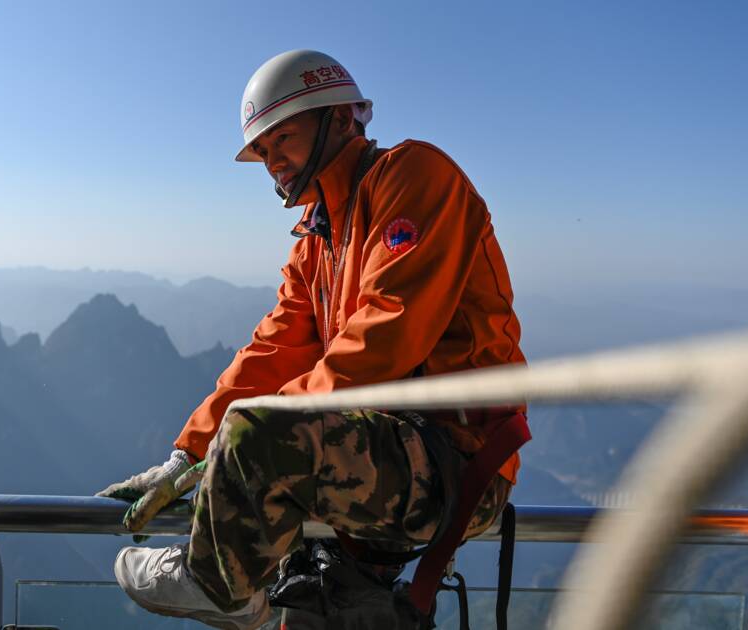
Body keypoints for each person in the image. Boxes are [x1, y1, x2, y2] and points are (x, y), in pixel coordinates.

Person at [97, 49, 527, 630]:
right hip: (383, 453)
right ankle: (247, 586)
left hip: (456, 460)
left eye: (284, 141)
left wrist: (242, 440)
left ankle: (217, 582)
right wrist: (191, 452)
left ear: (342, 119)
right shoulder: (316, 239)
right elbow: (273, 350)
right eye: (265, 152)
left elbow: (389, 331)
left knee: (257, 428)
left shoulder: (414, 177)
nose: (274, 162)